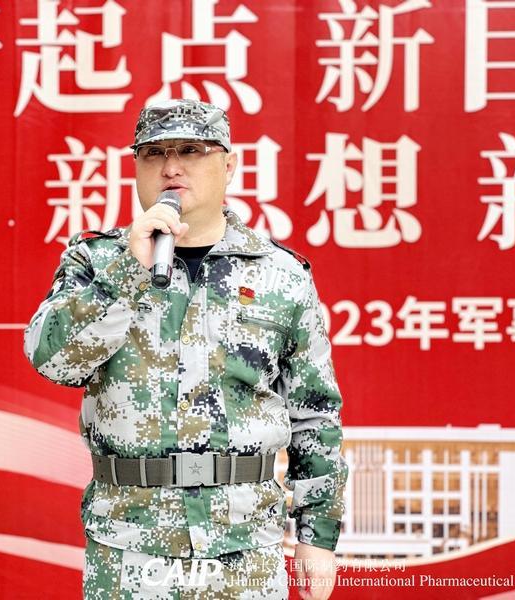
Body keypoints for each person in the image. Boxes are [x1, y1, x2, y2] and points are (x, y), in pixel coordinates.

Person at [24, 99, 348, 600]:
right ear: (136, 166)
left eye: (192, 151)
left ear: (229, 165)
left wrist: (317, 537)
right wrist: (129, 272)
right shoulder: (97, 262)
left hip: (245, 547)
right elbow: (53, 361)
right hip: (130, 547)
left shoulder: (280, 275)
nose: (171, 167)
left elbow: (315, 414)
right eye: (154, 153)